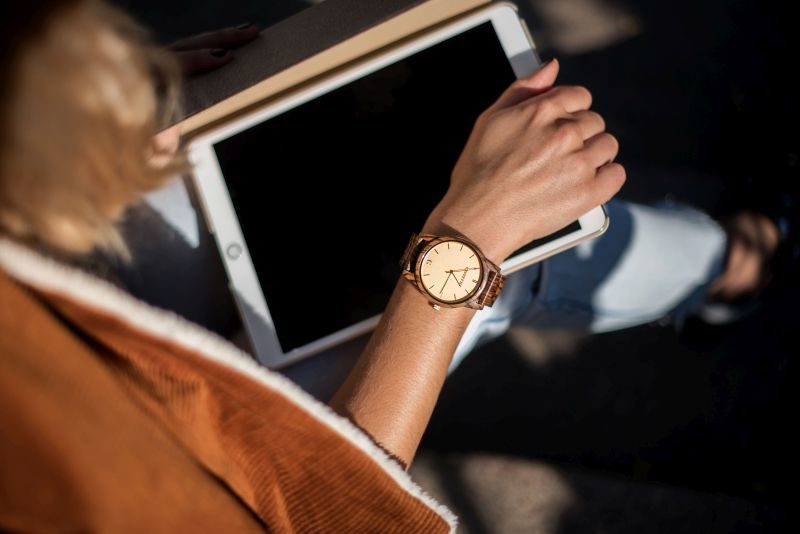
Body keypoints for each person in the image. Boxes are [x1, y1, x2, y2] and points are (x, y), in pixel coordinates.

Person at [0, 0, 783, 531]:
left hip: (52, 284)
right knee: (509, 271)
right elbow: (332, 512)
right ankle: (729, 264)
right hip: (200, 462)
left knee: (261, 150)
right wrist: (464, 248)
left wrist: (62, 125)